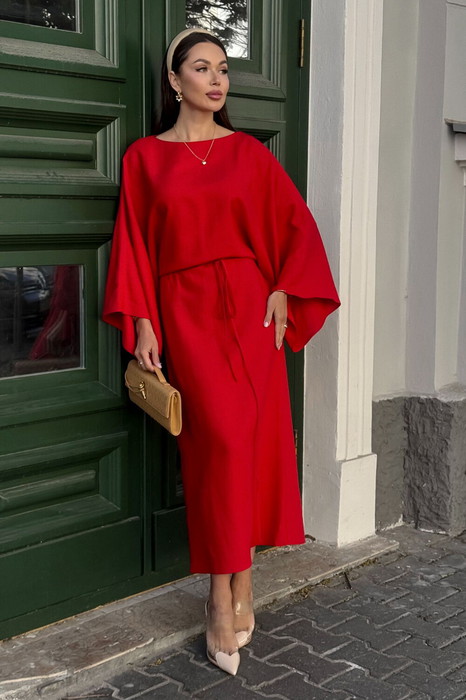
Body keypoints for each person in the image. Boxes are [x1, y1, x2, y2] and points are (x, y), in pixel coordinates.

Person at [103, 27, 340, 676]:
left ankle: (240, 581)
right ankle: (220, 593)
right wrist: (144, 322)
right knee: (220, 447)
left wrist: (285, 288)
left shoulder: (248, 154)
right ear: (174, 81)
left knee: (253, 443)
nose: (217, 80)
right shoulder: (144, 158)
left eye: (223, 69)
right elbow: (134, 244)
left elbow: (296, 226)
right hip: (187, 314)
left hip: (251, 309)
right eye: (202, 68)